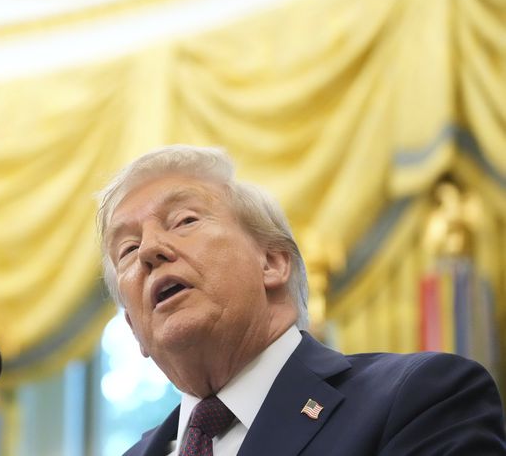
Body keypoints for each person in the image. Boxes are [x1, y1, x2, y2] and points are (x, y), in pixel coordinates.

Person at [96, 145, 506, 456]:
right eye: (128, 250)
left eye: (184, 220)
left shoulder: (419, 399)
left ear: (272, 263)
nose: (150, 249)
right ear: (134, 328)